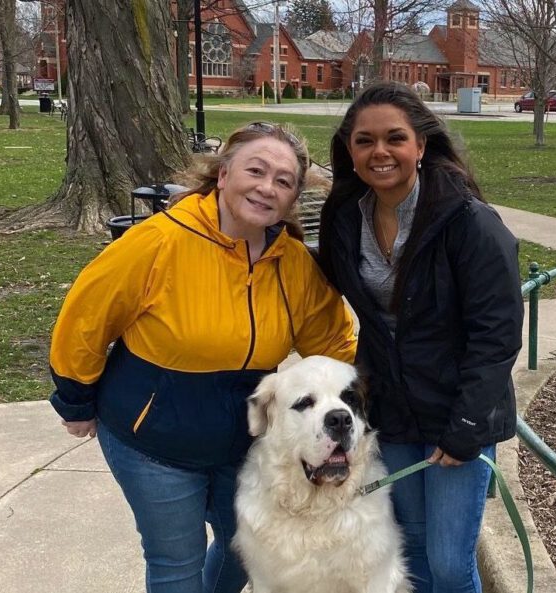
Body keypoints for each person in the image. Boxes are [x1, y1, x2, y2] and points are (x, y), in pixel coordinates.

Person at [49, 121, 357, 593]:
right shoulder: (158, 242)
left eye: (283, 181)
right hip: (155, 442)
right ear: (223, 175)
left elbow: (334, 343)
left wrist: (366, 397)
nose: (267, 187)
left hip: (241, 443)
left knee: (247, 550)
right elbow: (85, 320)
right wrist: (75, 399)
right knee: (177, 563)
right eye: (256, 170)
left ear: (292, 198)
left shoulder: (292, 264)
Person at [317, 81, 524, 593]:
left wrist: (467, 426)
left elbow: (497, 334)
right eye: (365, 141)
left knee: (450, 563)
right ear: (349, 150)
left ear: (421, 145)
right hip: (393, 411)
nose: (380, 152)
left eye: (395, 138)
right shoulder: (345, 217)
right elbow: (321, 280)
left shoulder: (469, 223)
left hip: (458, 413)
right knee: (410, 551)